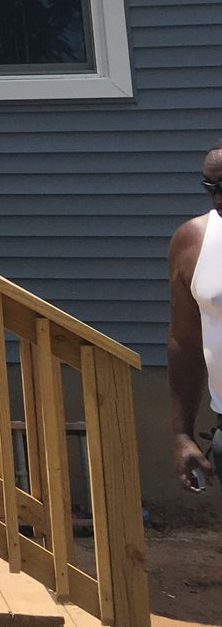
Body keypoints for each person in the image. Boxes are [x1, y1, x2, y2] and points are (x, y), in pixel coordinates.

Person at [168, 141, 222, 491]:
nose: (218, 198)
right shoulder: (193, 241)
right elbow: (184, 340)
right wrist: (182, 434)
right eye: (210, 187)